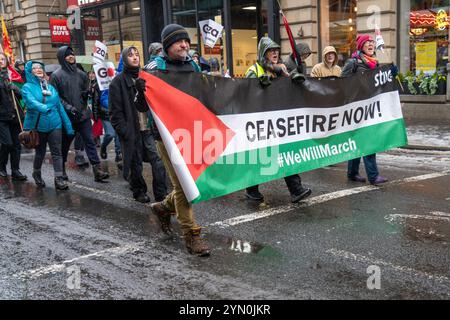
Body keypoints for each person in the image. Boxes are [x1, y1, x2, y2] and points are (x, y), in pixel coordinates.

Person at [145, 23, 210, 257]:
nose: (184, 45)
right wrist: (140, 90)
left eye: (187, 41)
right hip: (165, 135)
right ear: (167, 45)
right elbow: (142, 104)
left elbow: (204, 94)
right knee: (183, 185)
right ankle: (192, 235)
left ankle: (164, 208)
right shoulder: (154, 67)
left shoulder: (192, 65)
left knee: (193, 181)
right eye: (178, 41)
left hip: (190, 131)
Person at [244, 37, 312, 203]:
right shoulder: (254, 70)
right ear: (263, 53)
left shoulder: (280, 69)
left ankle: (296, 190)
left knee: (286, 153)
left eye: (276, 50)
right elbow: (245, 94)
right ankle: (251, 190)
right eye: (270, 50)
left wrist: (292, 78)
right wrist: (258, 85)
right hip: (260, 121)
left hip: (278, 121)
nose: (275, 53)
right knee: (259, 157)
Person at [50, 46, 109, 182]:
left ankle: (97, 169)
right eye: (67, 55)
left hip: (83, 115)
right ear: (61, 58)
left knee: (90, 141)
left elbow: (85, 92)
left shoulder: (82, 74)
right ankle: (62, 169)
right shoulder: (56, 76)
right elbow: (55, 97)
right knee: (64, 145)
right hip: (67, 117)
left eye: (72, 54)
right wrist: (68, 107)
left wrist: (86, 94)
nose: (71, 56)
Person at [341, 34, 391, 185]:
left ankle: (352, 173)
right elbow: (341, 83)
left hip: (371, 108)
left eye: (372, 42)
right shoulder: (353, 63)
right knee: (369, 141)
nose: (371, 44)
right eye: (367, 42)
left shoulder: (375, 63)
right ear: (361, 46)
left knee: (359, 141)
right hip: (356, 108)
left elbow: (386, 77)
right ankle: (373, 176)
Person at [109, 46, 153, 203]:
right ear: (124, 59)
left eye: (137, 55)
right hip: (132, 129)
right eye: (130, 55)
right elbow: (114, 113)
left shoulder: (146, 77)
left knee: (156, 160)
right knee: (135, 162)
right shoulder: (117, 82)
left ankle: (161, 191)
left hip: (148, 127)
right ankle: (138, 190)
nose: (135, 58)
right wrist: (125, 131)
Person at [21, 61, 74, 190]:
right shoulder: (27, 87)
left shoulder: (50, 88)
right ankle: (36, 172)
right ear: (29, 71)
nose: (38, 69)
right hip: (38, 126)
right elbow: (31, 102)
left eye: (40, 67)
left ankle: (59, 179)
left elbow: (60, 108)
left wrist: (68, 126)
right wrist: (45, 108)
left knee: (57, 152)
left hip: (55, 124)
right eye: (34, 68)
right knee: (41, 152)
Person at [0, 53, 27, 181]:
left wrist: (15, 88)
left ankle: (15, 170)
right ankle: (2, 166)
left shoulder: (13, 76)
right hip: (2, 117)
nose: (1, 61)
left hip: (15, 115)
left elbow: (23, 95)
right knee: (7, 143)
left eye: (2, 59)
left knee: (16, 144)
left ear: (6, 61)